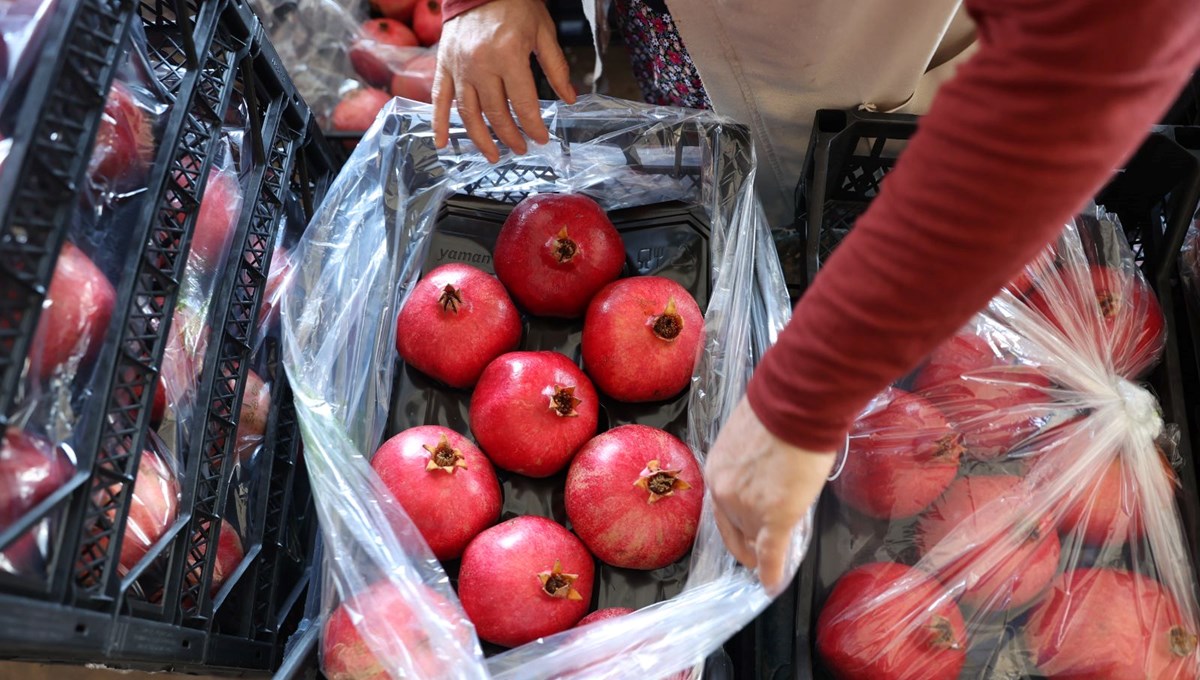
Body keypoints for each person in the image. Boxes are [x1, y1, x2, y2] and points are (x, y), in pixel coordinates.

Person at [432, 0, 1200, 594]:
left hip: (868, 73)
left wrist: (809, 391)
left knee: (802, 196)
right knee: (719, 177)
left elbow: (1107, 41)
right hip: (676, 39)